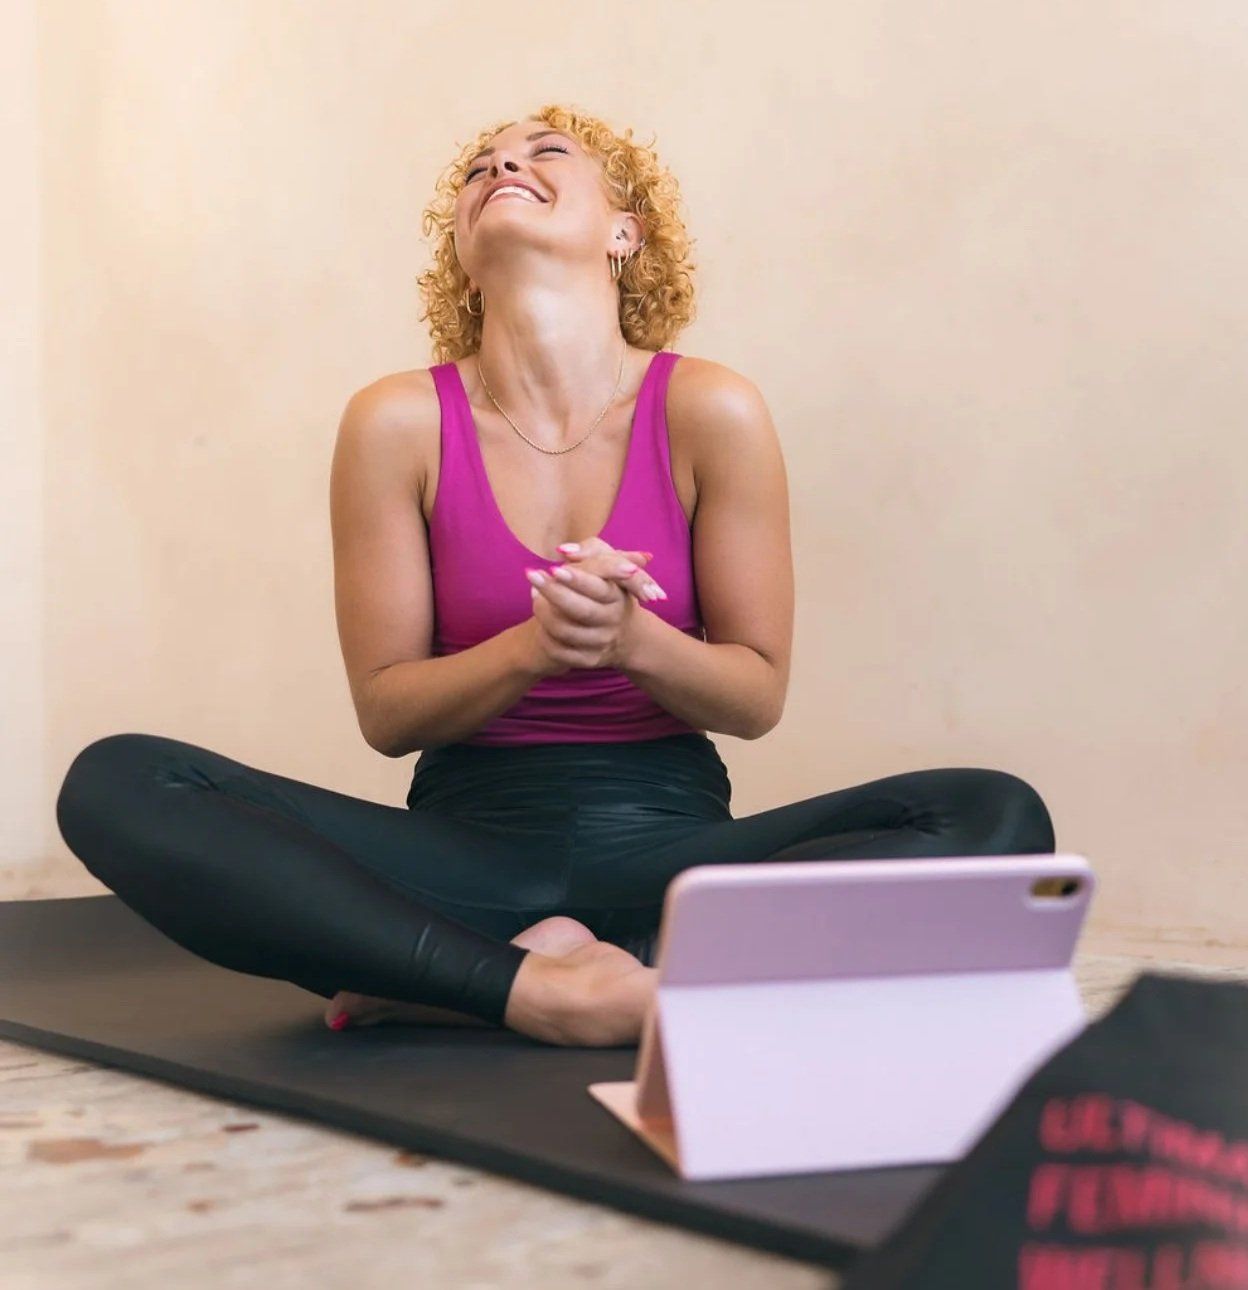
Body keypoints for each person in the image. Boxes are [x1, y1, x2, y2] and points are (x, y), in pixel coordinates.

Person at [54, 105, 1056, 1049]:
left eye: (545, 153)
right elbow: (388, 714)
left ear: (624, 233)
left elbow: (755, 697)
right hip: (463, 857)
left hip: (672, 854)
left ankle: (452, 979)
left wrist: (632, 643)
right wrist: (533, 649)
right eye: (481, 166)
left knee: (993, 815)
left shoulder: (711, 408)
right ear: (462, 256)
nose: (502, 164)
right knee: (121, 782)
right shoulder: (396, 422)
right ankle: (542, 990)